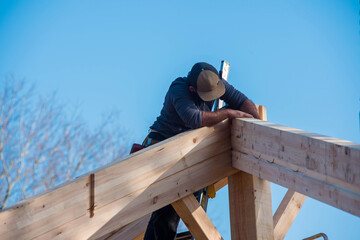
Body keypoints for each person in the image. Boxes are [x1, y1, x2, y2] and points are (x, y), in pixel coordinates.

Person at [143, 62, 260, 240]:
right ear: (192, 89)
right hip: (164, 150)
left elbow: (243, 102)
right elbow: (195, 118)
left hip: (190, 153)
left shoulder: (216, 82)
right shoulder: (178, 89)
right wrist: (228, 113)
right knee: (167, 214)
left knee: (177, 212)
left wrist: (256, 125)